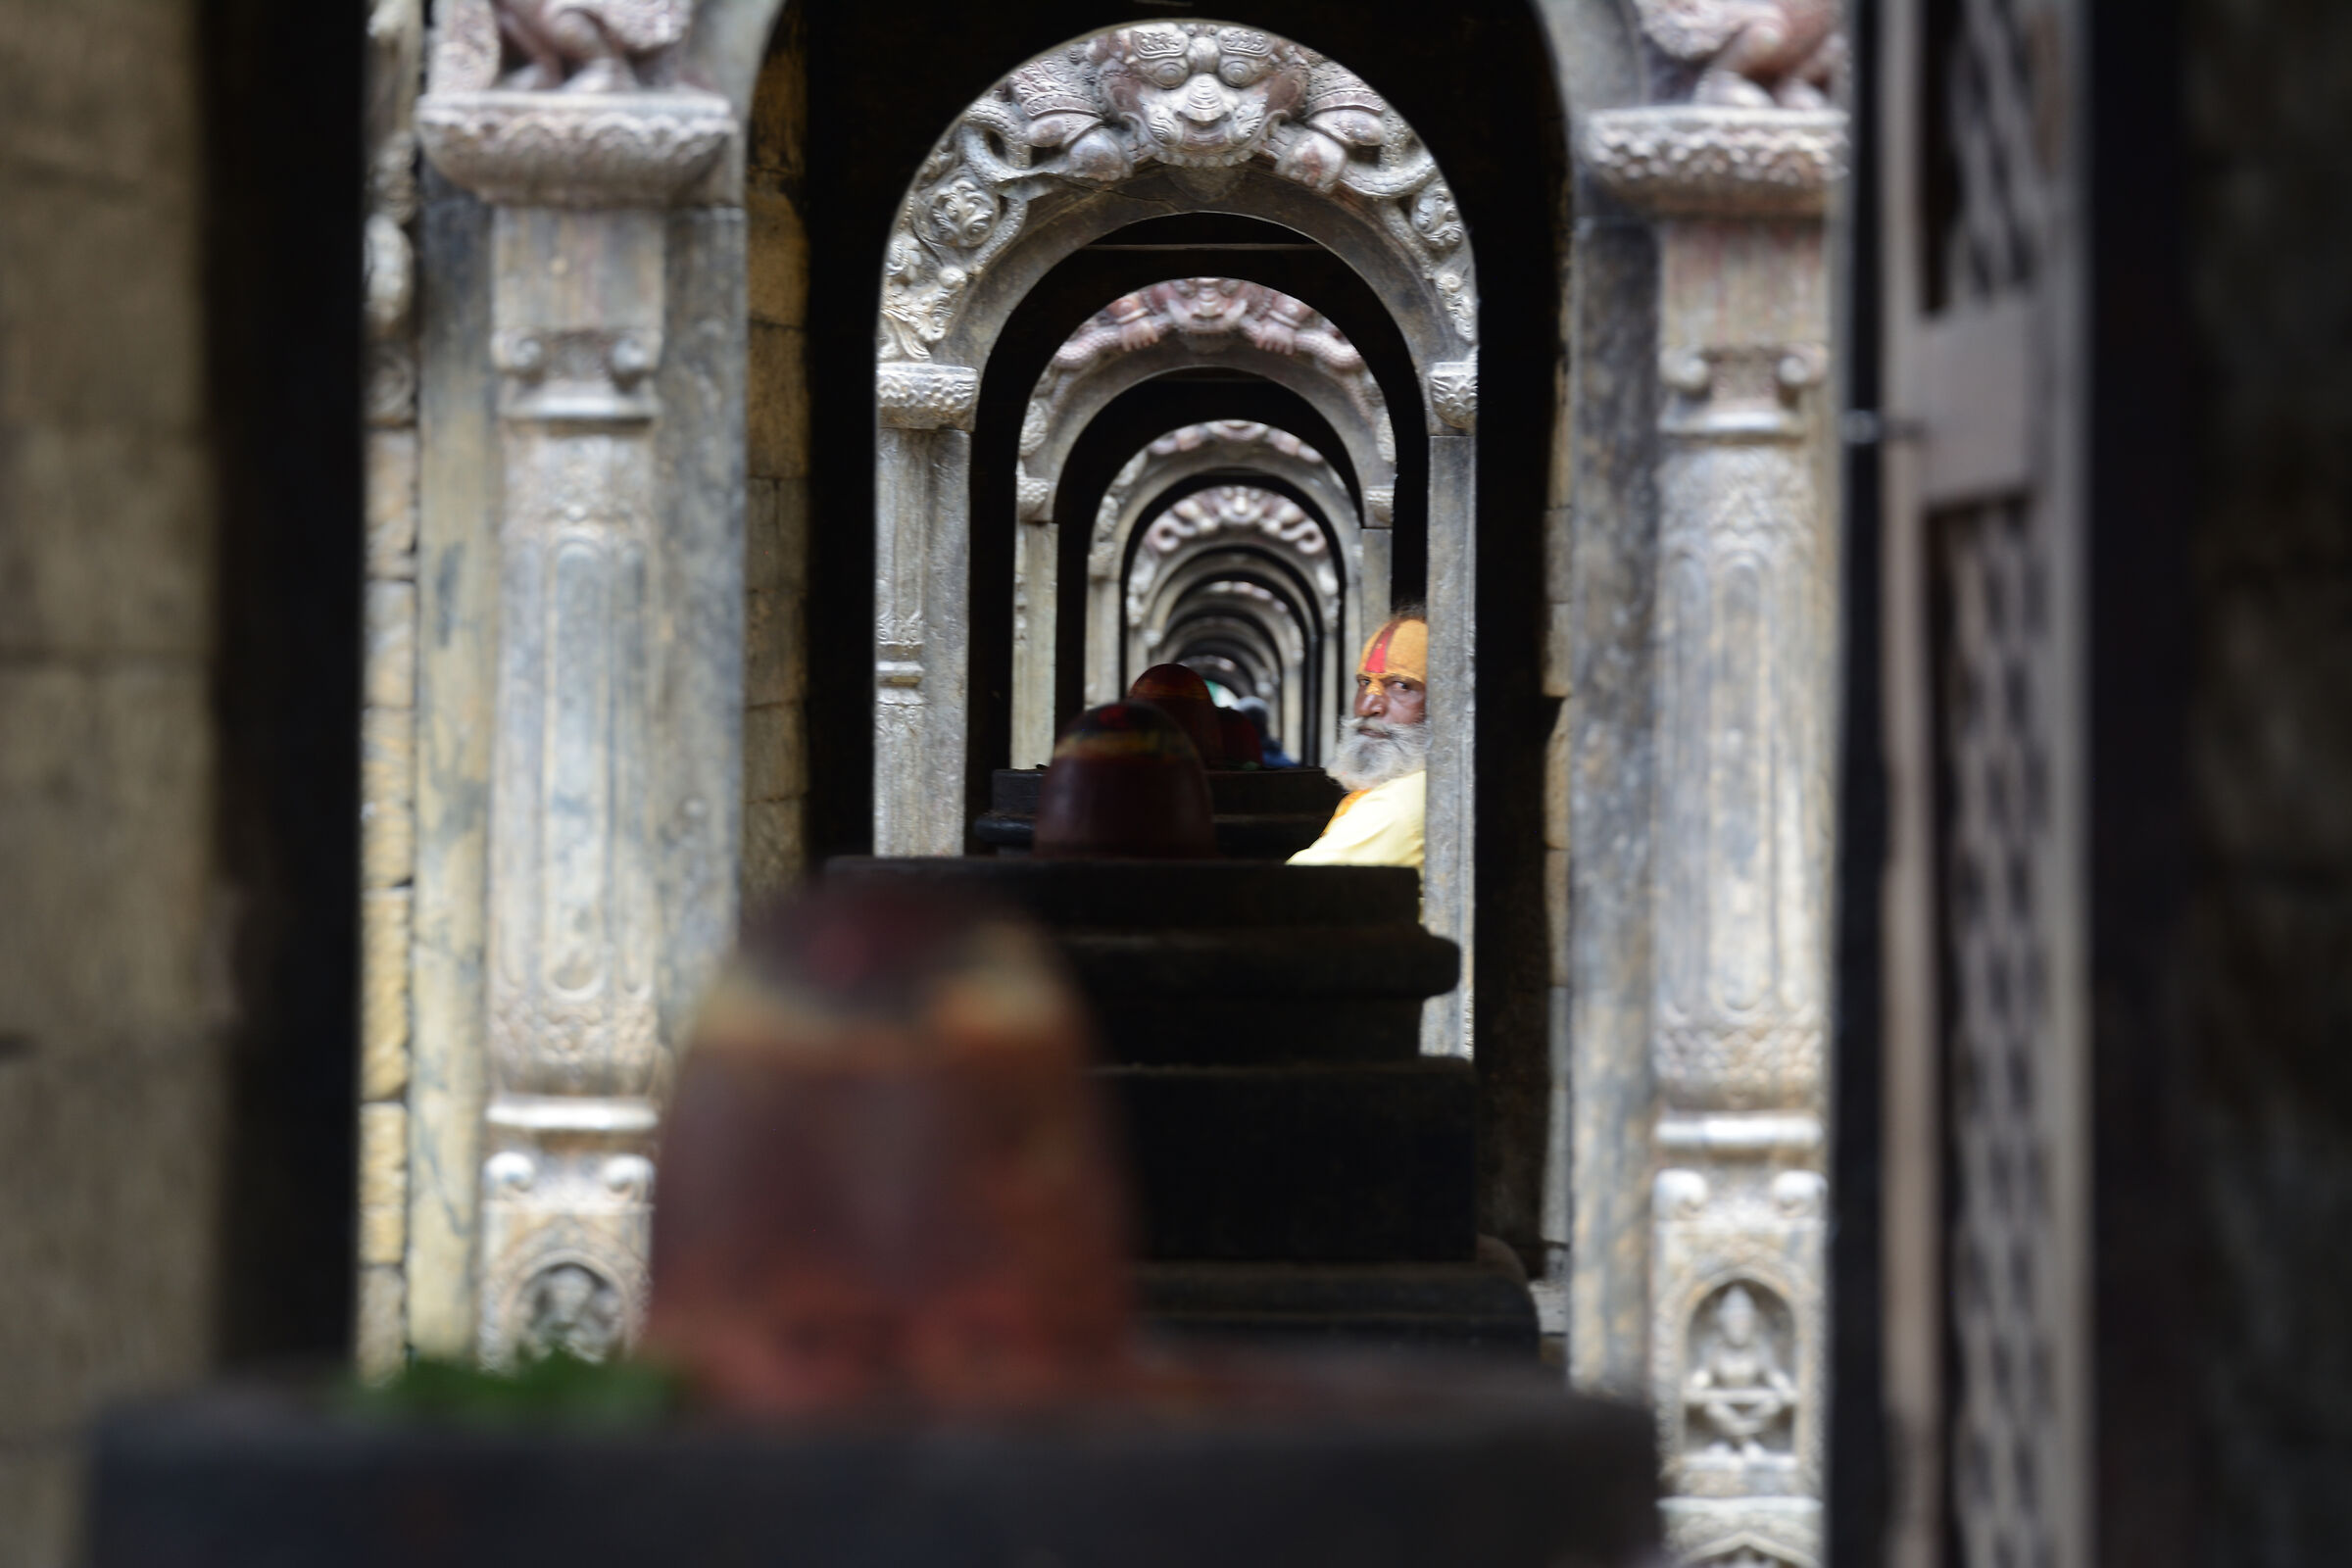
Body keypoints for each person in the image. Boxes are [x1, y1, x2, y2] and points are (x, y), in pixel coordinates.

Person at [1288, 612, 1428, 869]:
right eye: (1364, 682)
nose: (1367, 707)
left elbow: (1287, 888)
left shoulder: (1398, 805)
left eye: (1401, 686)